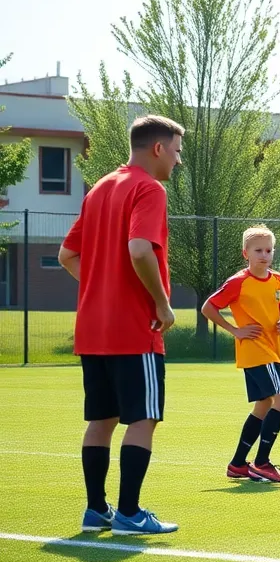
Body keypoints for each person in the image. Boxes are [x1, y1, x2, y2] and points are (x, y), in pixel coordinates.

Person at [58, 114, 184, 535]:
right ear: (158, 148)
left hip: (92, 329)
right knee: (143, 418)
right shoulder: (149, 188)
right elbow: (139, 248)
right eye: (178, 151)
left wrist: (102, 285)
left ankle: (97, 511)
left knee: (102, 419)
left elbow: (67, 255)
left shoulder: (99, 189)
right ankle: (130, 513)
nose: (179, 161)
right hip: (135, 328)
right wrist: (162, 304)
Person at [201, 224, 280, 483]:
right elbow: (208, 307)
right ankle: (262, 463)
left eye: (268, 250)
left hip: (272, 348)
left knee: (264, 404)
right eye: (258, 250)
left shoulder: (279, 280)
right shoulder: (238, 282)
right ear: (246, 254)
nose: (264, 255)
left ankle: (238, 464)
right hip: (256, 350)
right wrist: (235, 330)